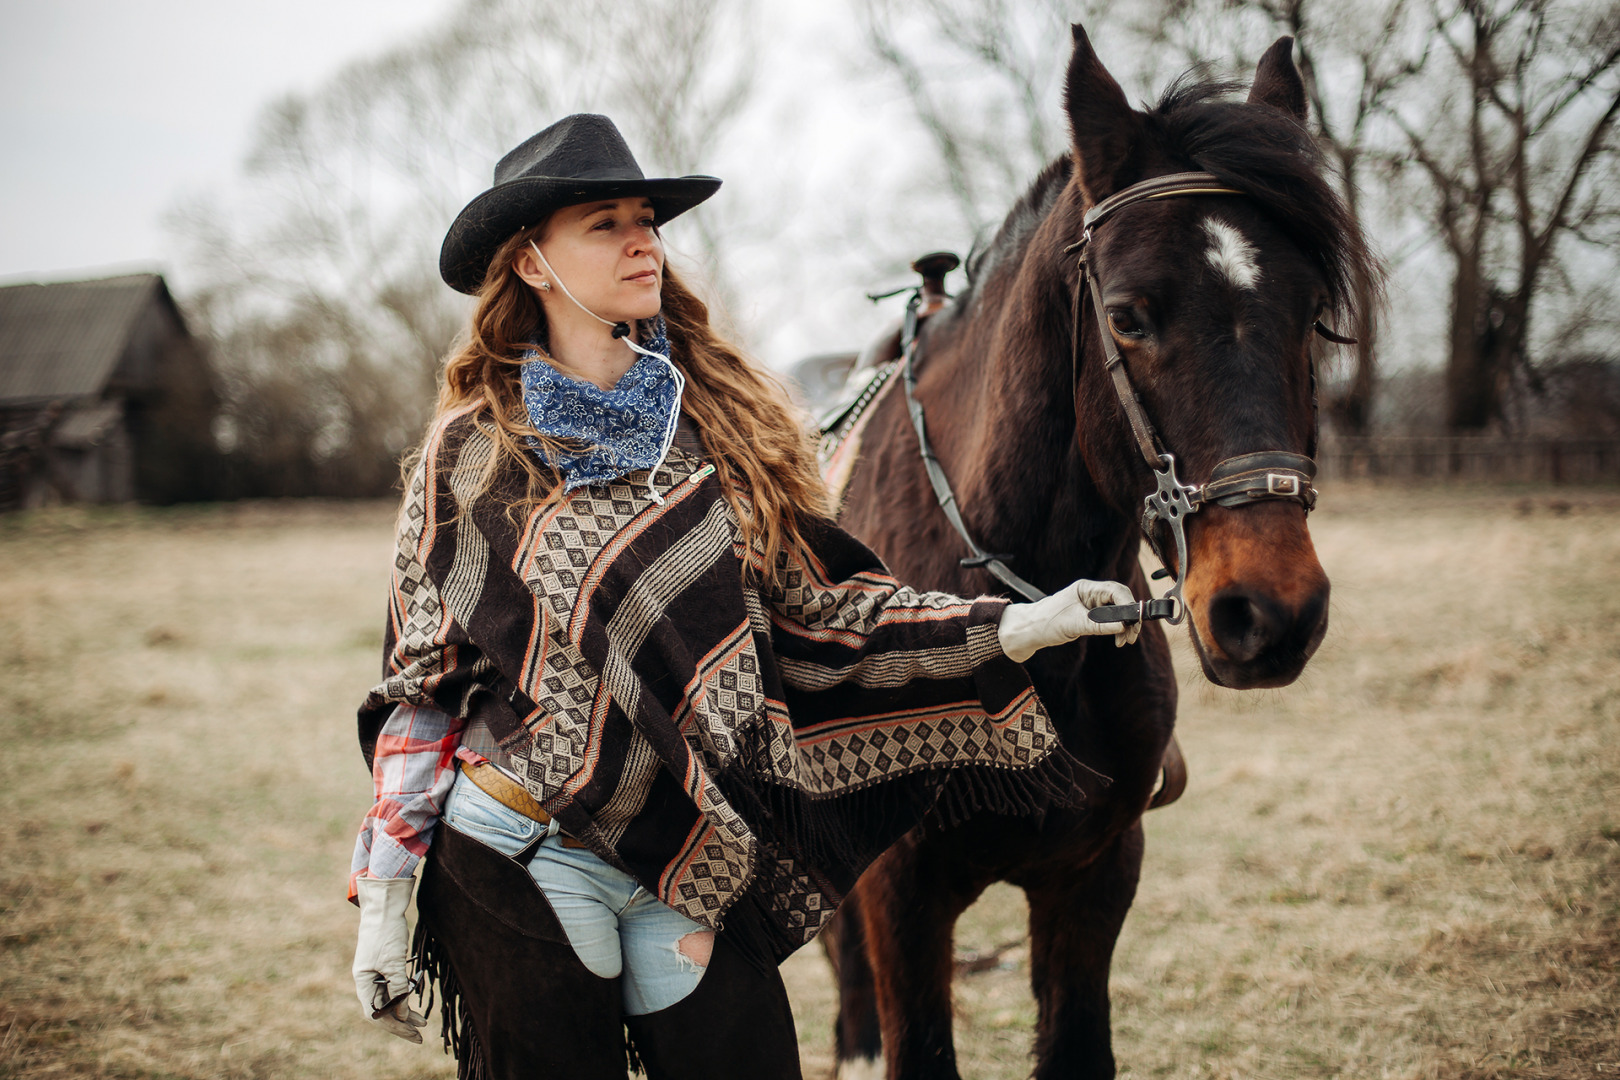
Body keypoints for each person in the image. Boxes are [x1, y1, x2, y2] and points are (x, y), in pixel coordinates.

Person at [348, 113, 1141, 1080]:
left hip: (693, 846)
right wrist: (387, 890)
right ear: (529, 263)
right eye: (604, 223)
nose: (643, 239)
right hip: (517, 845)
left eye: (646, 217)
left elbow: (824, 611)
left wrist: (1017, 625)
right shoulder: (472, 454)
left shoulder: (726, 426)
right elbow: (421, 683)